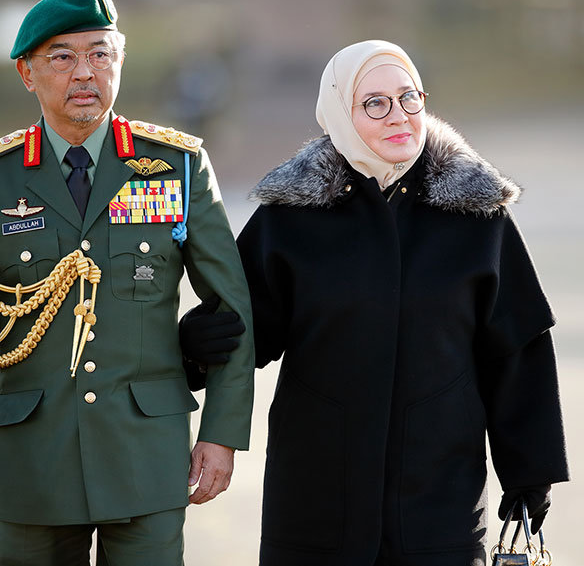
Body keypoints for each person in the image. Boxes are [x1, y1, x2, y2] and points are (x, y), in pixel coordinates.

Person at [180, 40, 569, 565]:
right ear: (339, 113)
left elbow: (518, 349)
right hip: (315, 498)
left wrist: (530, 473)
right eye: (375, 103)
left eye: (409, 97)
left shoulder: (478, 216)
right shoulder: (291, 217)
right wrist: (194, 347)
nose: (399, 116)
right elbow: (247, 326)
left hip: (439, 502)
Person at [0, 0, 254, 565]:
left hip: (147, 455)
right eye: (62, 57)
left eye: (100, 54)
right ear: (27, 73)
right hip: (31, 462)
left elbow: (231, 307)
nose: (84, 72)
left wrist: (221, 433)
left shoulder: (175, 166)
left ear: (119, 62)